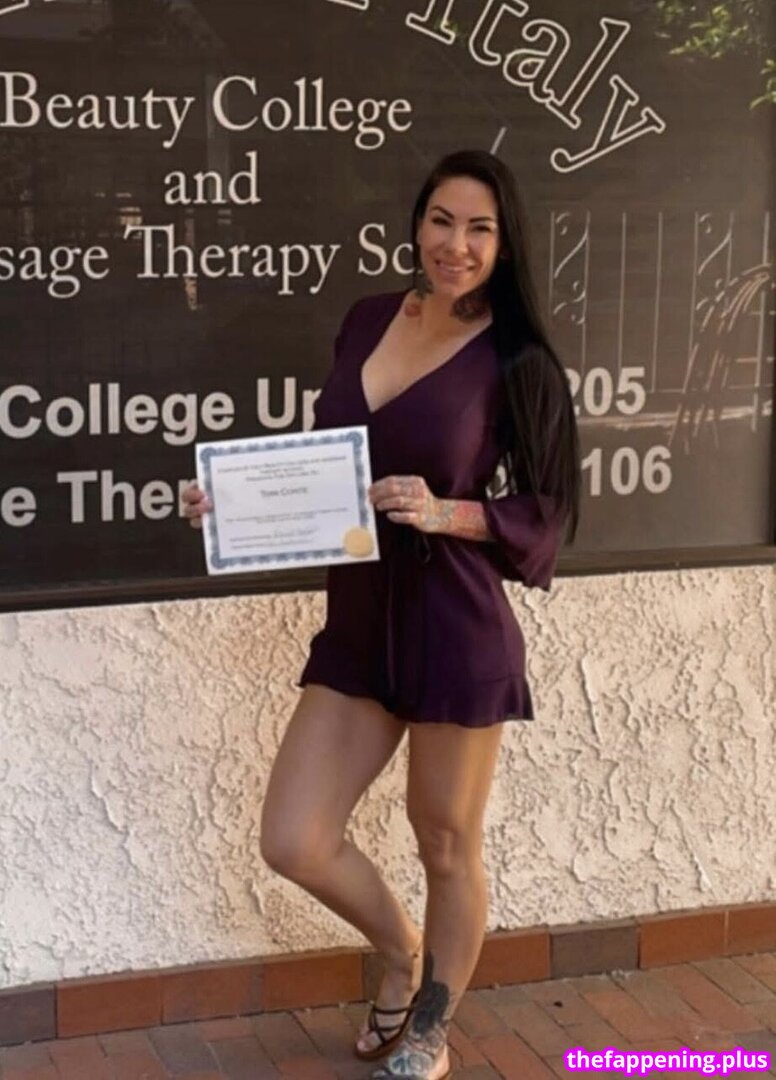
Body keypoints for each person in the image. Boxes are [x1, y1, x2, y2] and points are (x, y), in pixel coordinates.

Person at [183, 149, 580, 1080]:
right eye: (442, 220)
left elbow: (551, 514)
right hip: (361, 621)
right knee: (295, 837)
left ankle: (432, 1027)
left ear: (506, 242)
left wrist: (448, 512)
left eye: (479, 228)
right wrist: (231, 502)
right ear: (417, 223)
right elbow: (328, 464)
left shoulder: (518, 358)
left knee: (444, 838)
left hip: (454, 624)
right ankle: (402, 951)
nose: (456, 244)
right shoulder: (368, 318)